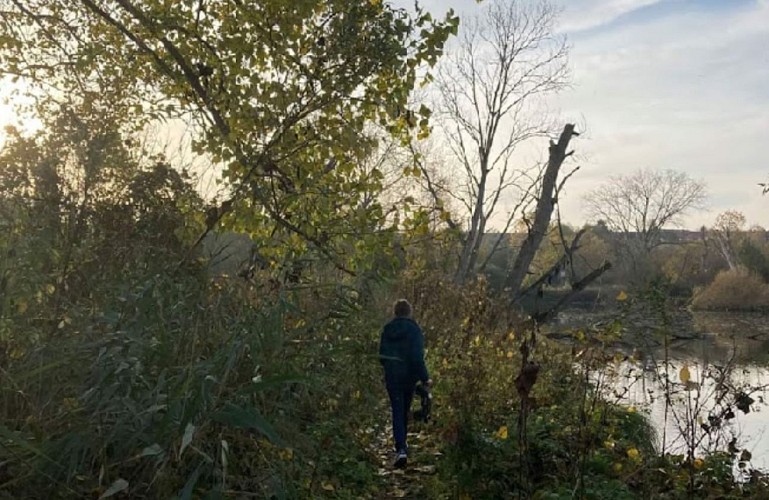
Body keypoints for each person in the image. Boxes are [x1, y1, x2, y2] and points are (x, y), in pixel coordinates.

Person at [379, 299, 432, 468]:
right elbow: (417, 357)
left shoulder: (388, 329)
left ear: (395, 312)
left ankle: (401, 448)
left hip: (392, 377)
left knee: (397, 410)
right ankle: (403, 446)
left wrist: (389, 368)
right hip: (409, 377)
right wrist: (425, 377)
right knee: (404, 410)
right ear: (409, 312)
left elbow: (382, 355)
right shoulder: (414, 330)